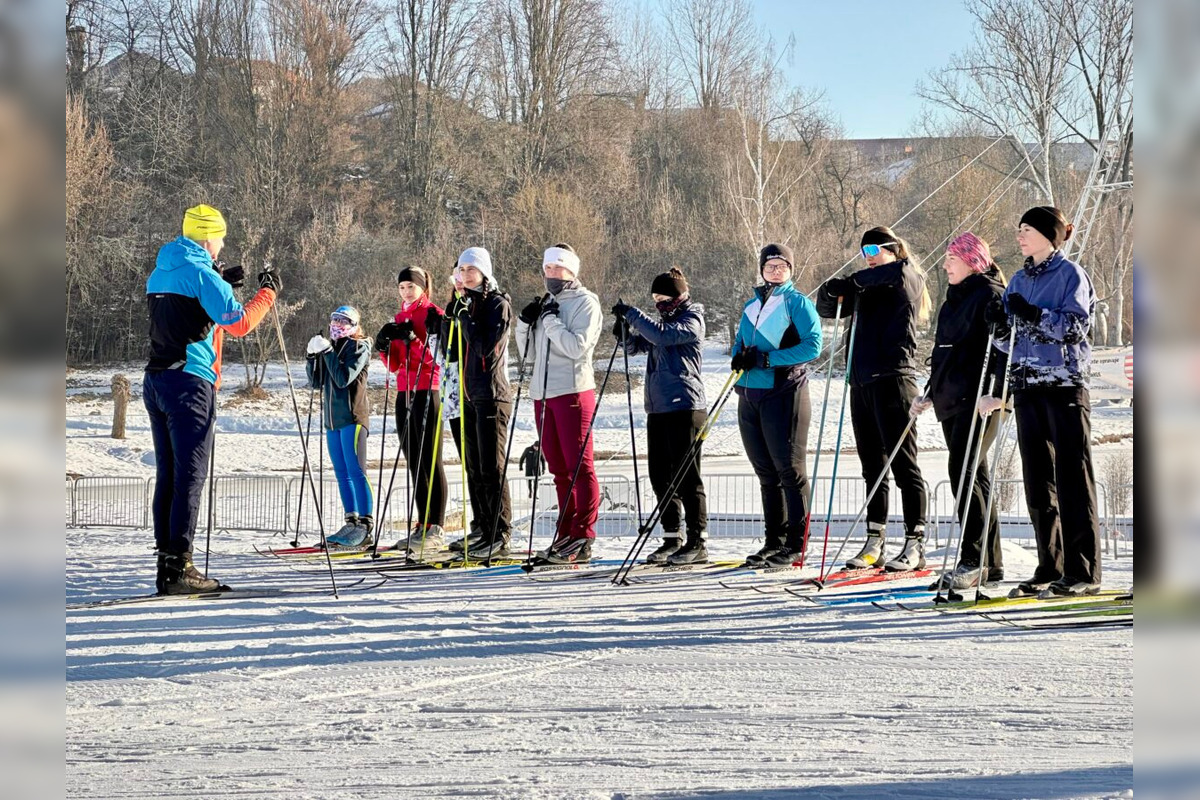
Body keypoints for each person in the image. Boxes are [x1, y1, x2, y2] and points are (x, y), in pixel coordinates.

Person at [144, 204, 279, 594]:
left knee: (169, 473)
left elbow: (182, 308)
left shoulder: (161, 269)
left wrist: (220, 279)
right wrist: (267, 293)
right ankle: (181, 566)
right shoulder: (205, 274)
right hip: (190, 381)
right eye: (220, 238)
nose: (221, 245)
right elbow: (239, 324)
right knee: (190, 475)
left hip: (156, 379)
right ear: (207, 237)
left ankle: (167, 565)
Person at [984, 206, 1101, 598]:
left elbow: (1076, 327)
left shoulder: (1071, 275)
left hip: (1063, 384)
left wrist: (1032, 314)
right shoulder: (1017, 279)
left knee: (1072, 477)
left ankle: (1082, 569)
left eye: (1027, 230)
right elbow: (1010, 340)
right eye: (1018, 229)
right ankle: (1050, 565)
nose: (1019, 236)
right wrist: (999, 326)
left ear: (1050, 237)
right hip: (1026, 384)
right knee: (1038, 482)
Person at [818, 226, 930, 572]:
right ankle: (874, 540)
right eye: (863, 253)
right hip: (862, 382)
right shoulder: (867, 285)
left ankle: (915, 541)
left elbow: (898, 272)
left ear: (893, 250)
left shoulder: (905, 275)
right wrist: (831, 289)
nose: (868, 259)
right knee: (873, 467)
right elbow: (827, 308)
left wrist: (853, 281)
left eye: (874, 252)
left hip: (894, 379)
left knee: (903, 465)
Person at [911, 232, 1008, 589]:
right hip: (952, 399)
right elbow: (945, 353)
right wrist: (929, 392)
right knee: (974, 477)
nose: (946, 264)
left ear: (972, 261)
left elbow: (1001, 350)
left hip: (979, 400)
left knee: (964, 473)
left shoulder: (990, 295)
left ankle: (973, 557)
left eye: (952, 258)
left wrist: (996, 393)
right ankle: (990, 563)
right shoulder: (953, 299)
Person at [731, 244, 823, 567]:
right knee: (765, 472)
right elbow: (740, 342)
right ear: (761, 269)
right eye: (770, 265)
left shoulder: (796, 303)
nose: (775, 270)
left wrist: (768, 358)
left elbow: (813, 345)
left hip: (785, 393)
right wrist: (738, 357)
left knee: (790, 471)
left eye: (782, 266)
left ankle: (798, 543)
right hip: (750, 394)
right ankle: (775, 541)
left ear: (790, 270)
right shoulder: (751, 305)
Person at [612, 267, 709, 565]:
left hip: (685, 406)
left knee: (686, 476)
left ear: (679, 296)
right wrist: (624, 335)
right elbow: (640, 344)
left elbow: (661, 336)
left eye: (664, 297)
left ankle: (697, 539)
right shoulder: (662, 324)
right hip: (658, 408)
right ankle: (671, 536)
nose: (660, 303)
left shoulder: (691, 320)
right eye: (655, 298)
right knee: (659, 475)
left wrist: (633, 314)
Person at [515, 244, 603, 565]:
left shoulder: (585, 302)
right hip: (543, 394)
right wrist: (524, 325)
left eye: (557, 269)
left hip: (572, 392)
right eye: (547, 269)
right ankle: (564, 532)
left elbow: (575, 347)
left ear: (571, 271)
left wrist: (551, 323)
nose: (550, 274)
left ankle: (583, 534)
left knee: (580, 466)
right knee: (558, 470)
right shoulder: (547, 304)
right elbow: (529, 354)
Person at [445, 246, 516, 560]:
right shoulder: (468, 305)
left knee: (492, 468)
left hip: (492, 394)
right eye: (461, 270)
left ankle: (500, 532)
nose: (465, 275)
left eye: (471, 270)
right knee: (474, 467)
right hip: (470, 394)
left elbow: (486, 348)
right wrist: (454, 313)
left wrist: (465, 320)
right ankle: (483, 527)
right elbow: (454, 352)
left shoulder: (498, 305)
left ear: (484, 272)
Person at [376, 266, 448, 556]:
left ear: (423, 288)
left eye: (411, 287)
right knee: (414, 460)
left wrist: (414, 340)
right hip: (404, 390)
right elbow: (394, 364)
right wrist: (384, 345)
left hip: (427, 389)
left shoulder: (434, 314)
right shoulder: (401, 316)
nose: (406, 292)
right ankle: (422, 524)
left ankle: (437, 526)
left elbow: (438, 361)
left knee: (431, 459)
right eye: (402, 287)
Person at [306, 306, 374, 548]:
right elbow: (316, 382)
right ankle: (351, 520)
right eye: (334, 319)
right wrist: (312, 356)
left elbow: (343, 377)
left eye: (343, 321)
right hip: (332, 421)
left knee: (356, 471)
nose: (337, 324)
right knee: (341, 473)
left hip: (352, 418)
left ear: (354, 325)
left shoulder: (359, 347)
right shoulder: (332, 349)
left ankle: (366, 525)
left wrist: (327, 353)